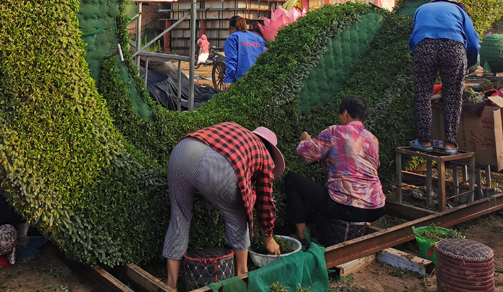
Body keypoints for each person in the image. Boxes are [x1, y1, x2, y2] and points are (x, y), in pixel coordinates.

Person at [163, 122, 285, 290]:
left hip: (181, 151)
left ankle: (170, 285)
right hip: (214, 165)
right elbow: (265, 201)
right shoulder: (265, 157)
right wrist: (268, 238)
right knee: (240, 214)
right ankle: (242, 277)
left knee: (179, 218)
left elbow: (209, 163)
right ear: (271, 151)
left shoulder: (235, 130)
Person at [285, 97, 385, 243]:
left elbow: (306, 152)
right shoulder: (372, 139)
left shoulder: (335, 132)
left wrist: (305, 140)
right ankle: (362, 218)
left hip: (346, 206)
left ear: (345, 113)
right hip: (375, 207)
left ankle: (300, 234)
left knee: (292, 180)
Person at [408, 0, 481, 154]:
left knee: (423, 94)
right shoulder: (459, 12)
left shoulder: (422, 9)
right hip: (454, 48)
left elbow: (413, 38)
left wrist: (418, 55)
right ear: (454, 3)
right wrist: (468, 63)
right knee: (453, 95)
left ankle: (424, 141)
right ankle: (450, 143)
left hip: (424, 46)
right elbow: (474, 43)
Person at [223, 16, 265, 89]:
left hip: (241, 81)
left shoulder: (233, 38)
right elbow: (265, 57)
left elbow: (231, 60)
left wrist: (228, 80)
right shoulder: (258, 38)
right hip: (259, 79)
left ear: (231, 27)